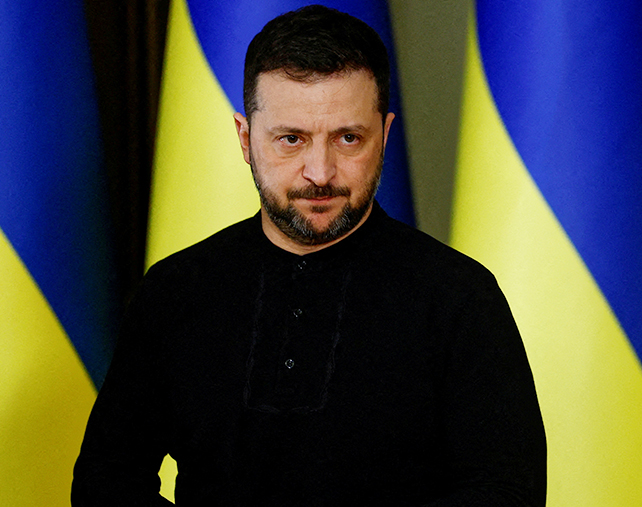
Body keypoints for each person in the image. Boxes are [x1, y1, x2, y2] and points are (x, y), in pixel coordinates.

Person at [72, 5, 546, 506]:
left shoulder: (459, 297)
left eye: (348, 138)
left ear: (384, 137)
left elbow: (507, 492)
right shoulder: (174, 290)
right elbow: (107, 481)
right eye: (291, 139)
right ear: (245, 139)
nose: (319, 172)